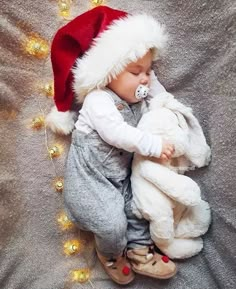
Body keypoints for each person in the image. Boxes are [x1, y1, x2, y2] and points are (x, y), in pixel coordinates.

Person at [46, 5, 176, 285]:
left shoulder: (137, 91)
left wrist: (169, 108)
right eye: (136, 71)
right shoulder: (98, 101)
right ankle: (110, 253)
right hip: (90, 183)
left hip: (121, 177)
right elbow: (116, 133)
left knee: (139, 207)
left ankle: (140, 249)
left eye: (149, 70)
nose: (145, 78)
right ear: (108, 72)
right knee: (111, 224)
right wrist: (153, 144)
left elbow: (159, 93)